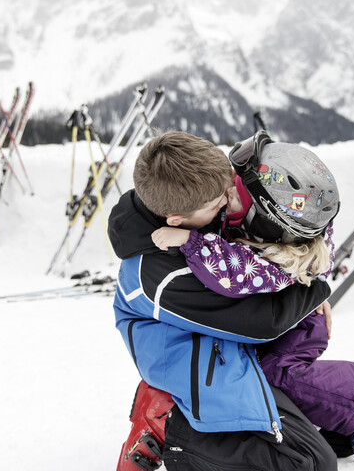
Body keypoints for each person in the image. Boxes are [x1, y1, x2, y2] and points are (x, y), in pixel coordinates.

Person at [151, 130, 354, 464]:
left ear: (267, 224)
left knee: (275, 374)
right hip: (287, 320)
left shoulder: (273, 262)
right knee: (267, 374)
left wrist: (189, 241)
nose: (225, 196)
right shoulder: (277, 222)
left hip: (297, 327)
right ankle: (339, 413)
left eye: (235, 197)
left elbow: (231, 272)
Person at [110, 131, 336, 471]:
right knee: (310, 465)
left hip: (220, 345)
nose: (227, 201)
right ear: (175, 220)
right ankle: (166, 422)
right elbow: (262, 323)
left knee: (306, 331)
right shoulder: (161, 275)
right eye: (217, 202)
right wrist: (314, 289)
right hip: (198, 363)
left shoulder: (188, 201)